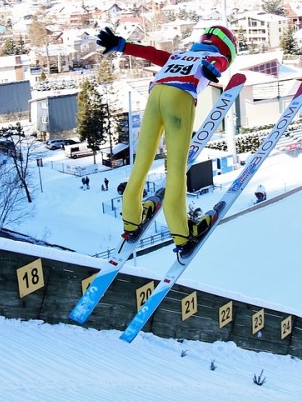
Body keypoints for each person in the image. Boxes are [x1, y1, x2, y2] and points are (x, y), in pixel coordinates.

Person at [96, 24, 238, 254]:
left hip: (155, 96)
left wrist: (121, 45)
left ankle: (132, 219)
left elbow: (152, 53)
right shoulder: (215, 56)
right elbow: (218, 63)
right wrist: (213, 67)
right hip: (180, 97)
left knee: (142, 160)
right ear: (228, 48)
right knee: (175, 169)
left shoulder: (181, 55)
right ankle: (182, 233)